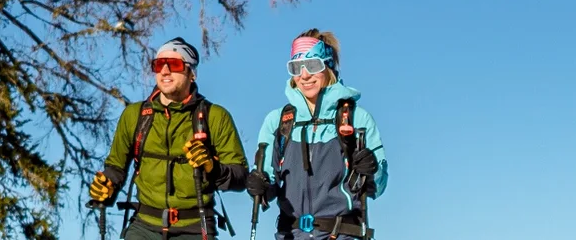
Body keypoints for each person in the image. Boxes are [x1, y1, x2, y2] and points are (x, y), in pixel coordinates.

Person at [90, 37, 250, 239]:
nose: (164, 71)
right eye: (158, 65)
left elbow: (241, 176)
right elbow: (115, 167)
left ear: (192, 73)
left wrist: (212, 167)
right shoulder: (135, 115)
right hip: (144, 227)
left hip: (195, 227)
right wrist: (106, 186)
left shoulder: (215, 116)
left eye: (173, 64)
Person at [247, 30, 387, 240]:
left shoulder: (356, 119)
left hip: (342, 233)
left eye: (313, 65)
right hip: (292, 234)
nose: (304, 75)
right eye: (296, 67)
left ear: (328, 66)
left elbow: (380, 184)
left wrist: (371, 167)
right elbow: (268, 182)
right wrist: (259, 185)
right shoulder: (278, 122)